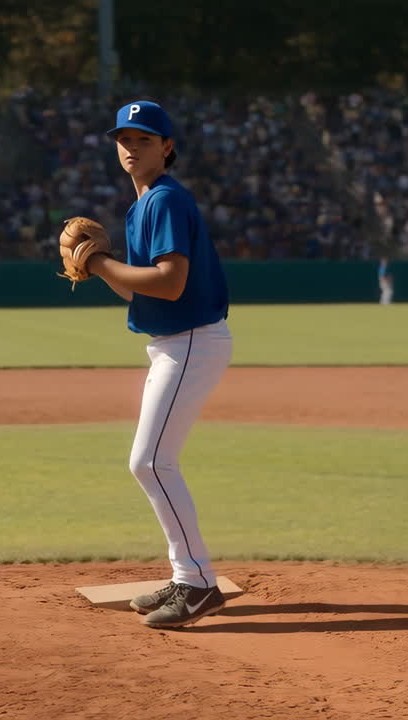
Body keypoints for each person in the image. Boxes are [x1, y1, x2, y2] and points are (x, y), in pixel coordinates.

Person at [84, 100, 232, 629]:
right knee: (151, 461)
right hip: (175, 342)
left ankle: (196, 585)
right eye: (123, 138)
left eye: (143, 139)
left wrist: (99, 262)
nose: (130, 147)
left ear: (166, 147)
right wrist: (104, 271)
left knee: (150, 462)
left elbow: (170, 283)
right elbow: (138, 292)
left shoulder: (164, 200)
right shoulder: (145, 203)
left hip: (191, 340)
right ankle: (185, 575)